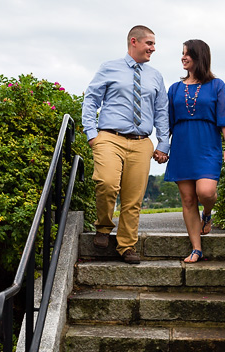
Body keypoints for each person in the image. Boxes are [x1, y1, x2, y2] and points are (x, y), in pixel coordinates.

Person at [82, 25, 170, 264]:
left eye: (154, 44)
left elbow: (161, 110)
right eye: (149, 43)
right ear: (134, 41)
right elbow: (91, 99)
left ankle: (126, 246)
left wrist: (163, 143)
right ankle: (103, 227)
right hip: (109, 137)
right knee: (107, 182)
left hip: (142, 142)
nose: (153, 48)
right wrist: (91, 132)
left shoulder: (155, 76)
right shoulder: (109, 67)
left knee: (134, 198)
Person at [164, 39, 225, 263]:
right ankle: (196, 248)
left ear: (199, 57)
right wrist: (162, 147)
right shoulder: (175, 88)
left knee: (205, 192)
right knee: (187, 199)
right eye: (182, 54)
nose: (183, 57)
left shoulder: (217, 85)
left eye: (188, 54)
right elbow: (167, 122)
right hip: (182, 146)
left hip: (207, 145)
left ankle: (207, 214)